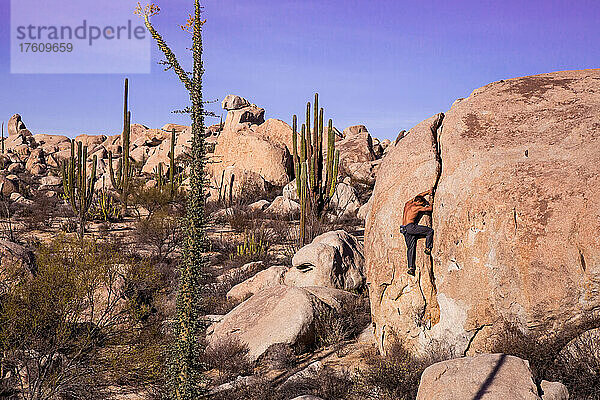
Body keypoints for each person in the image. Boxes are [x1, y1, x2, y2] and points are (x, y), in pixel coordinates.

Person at [400, 189, 434, 276]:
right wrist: (431, 200)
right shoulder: (417, 207)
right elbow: (430, 209)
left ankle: (411, 267)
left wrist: (427, 192)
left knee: (410, 248)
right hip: (411, 227)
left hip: (403, 229)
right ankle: (428, 248)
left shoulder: (407, 204)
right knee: (429, 231)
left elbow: (419, 195)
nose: (422, 204)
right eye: (422, 203)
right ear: (418, 202)